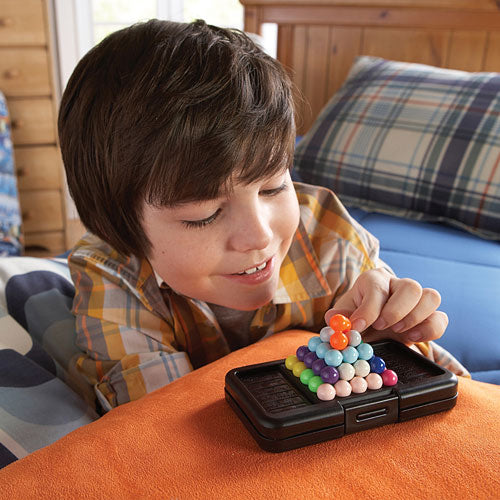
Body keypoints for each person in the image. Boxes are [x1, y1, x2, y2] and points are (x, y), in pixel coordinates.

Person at [58, 19, 468, 411]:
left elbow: (462, 397)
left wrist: (389, 343)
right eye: (204, 214)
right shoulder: (112, 272)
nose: (258, 236)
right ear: (119, 226)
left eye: (273, 186)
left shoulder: (331, 242)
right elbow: (160, 428)